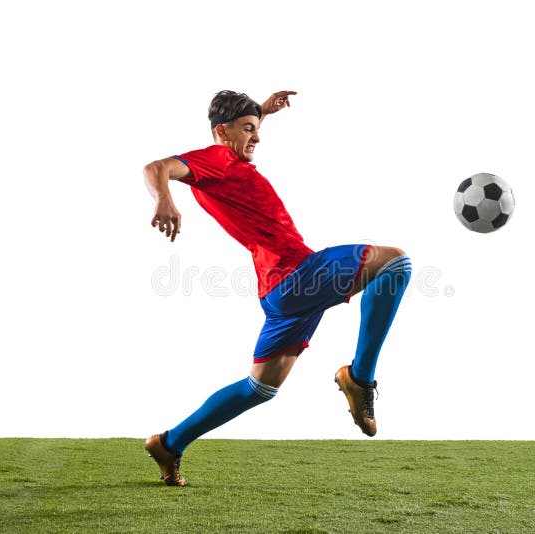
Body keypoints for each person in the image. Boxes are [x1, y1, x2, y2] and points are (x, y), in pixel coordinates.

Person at [143, 90, 411, 486]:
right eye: (248, 129)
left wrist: (261, 113)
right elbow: (156, 167)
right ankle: (360, 377)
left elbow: (235, 138)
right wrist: (164, 198)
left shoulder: (228, 159)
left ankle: (169, 443)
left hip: (280, 290)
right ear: (222, 130)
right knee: (395, 263)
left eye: (257, 129)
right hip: (297, 273)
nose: (257, 137)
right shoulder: (215, 158)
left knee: (260, 388)